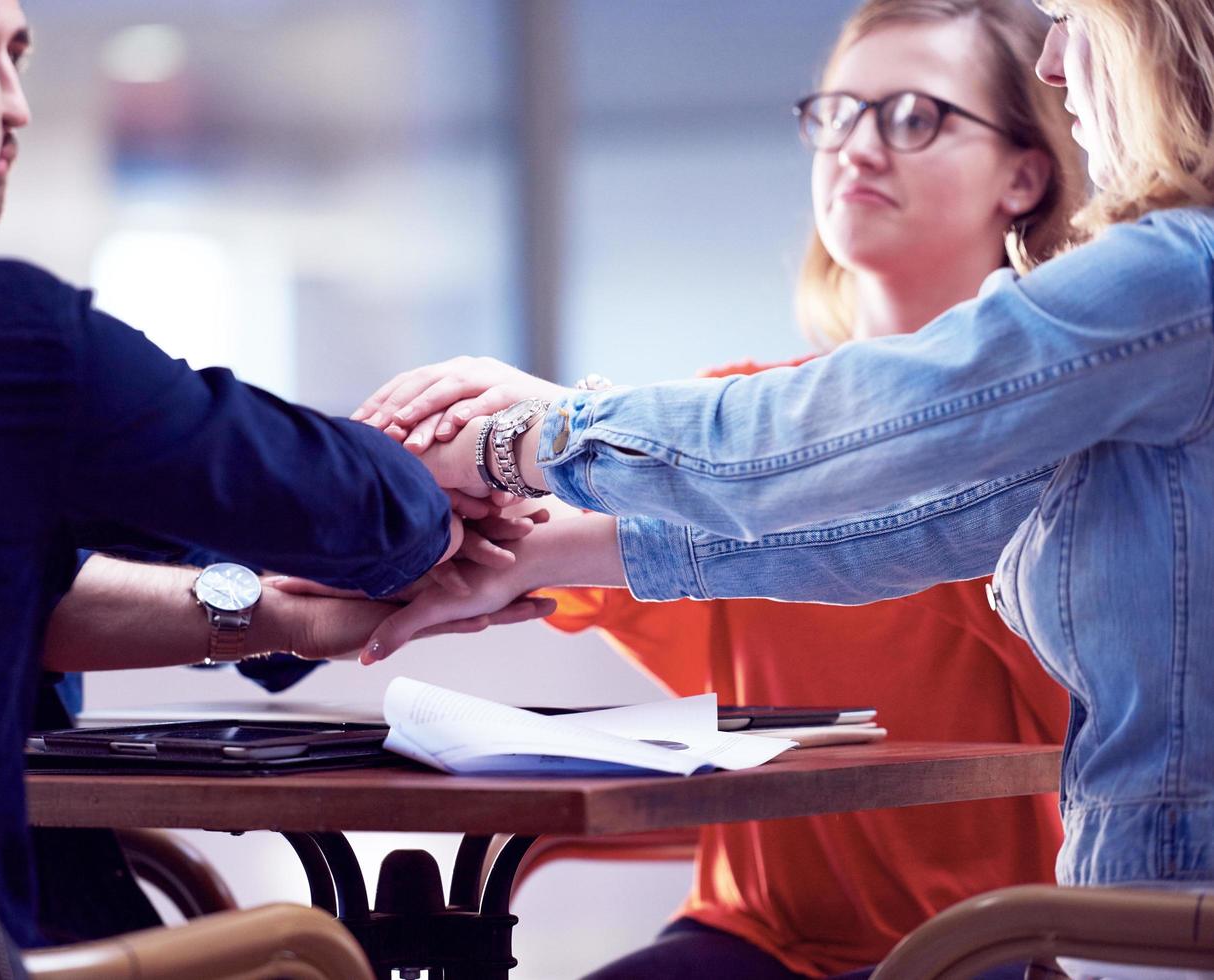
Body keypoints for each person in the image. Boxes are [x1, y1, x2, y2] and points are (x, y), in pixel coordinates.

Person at [355, 1, 1214, 976]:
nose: (1060, 61)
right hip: (1069, 917)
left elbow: (865, 447)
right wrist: (544, 543)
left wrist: (546, 431)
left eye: (913, 117)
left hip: (1073, 926)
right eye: (837, 114)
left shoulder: (1171, 281)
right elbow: (899, 524)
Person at [0, 0, 545, 948]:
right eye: (4, 55)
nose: (20, 106)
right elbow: (353, 507)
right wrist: (449, 473)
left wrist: (285, 612)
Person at [530, 2, 1082, 977]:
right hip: (750, 938)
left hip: (995, 943)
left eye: (914, 116)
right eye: (838, 113)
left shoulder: (1059, 430)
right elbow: (524, 548)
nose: (856, 149)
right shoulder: (729, 416)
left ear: (1025, 173)